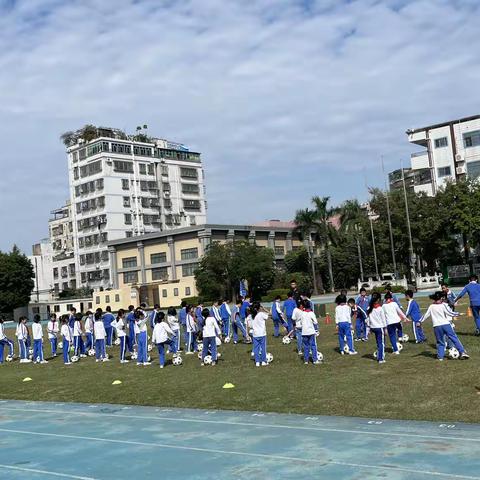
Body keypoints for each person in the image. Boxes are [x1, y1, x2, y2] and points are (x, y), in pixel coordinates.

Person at [421, 291, 469, 360]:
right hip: (446, 325)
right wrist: (458, 313)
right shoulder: (442, 305)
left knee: (440, 342)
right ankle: (462, 352)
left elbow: (425, 316)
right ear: (440, 298)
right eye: (441, 298)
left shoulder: (431, 306)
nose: (441, 300)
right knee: (454, 338)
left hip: (437, 327)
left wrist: (419, 321)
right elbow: (450, 313)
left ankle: (440, 357)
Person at [366, 292, 387, 363]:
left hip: (373, 327)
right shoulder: (380, 308)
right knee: (381, 343)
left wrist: (369, 328)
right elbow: (383, 319)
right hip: (379, 327)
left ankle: (379, 356)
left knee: (378, 343)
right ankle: (381, 358)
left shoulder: (369, 308)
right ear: (378, 299)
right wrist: (385, 328)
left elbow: (368, 319)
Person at [248, 302, 269, 367]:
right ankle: (263, 361)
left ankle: (257, 362)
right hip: (262, 333)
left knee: (256, 348)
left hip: (255, 334)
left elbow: (250, 325)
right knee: (263, 348)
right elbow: (269, 314)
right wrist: (264, 309)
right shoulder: (261, 314)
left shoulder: (251, 316)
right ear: (258, 308)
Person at [301, 299, 320, 365]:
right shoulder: (311, 313)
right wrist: (317, 330)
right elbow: (315, 322)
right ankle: (315, 360)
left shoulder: (302, 313)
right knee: (313, 346)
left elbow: (301, 323)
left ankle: (306, 360)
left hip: (304, 332)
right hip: (311, 332)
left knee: (306, 346)